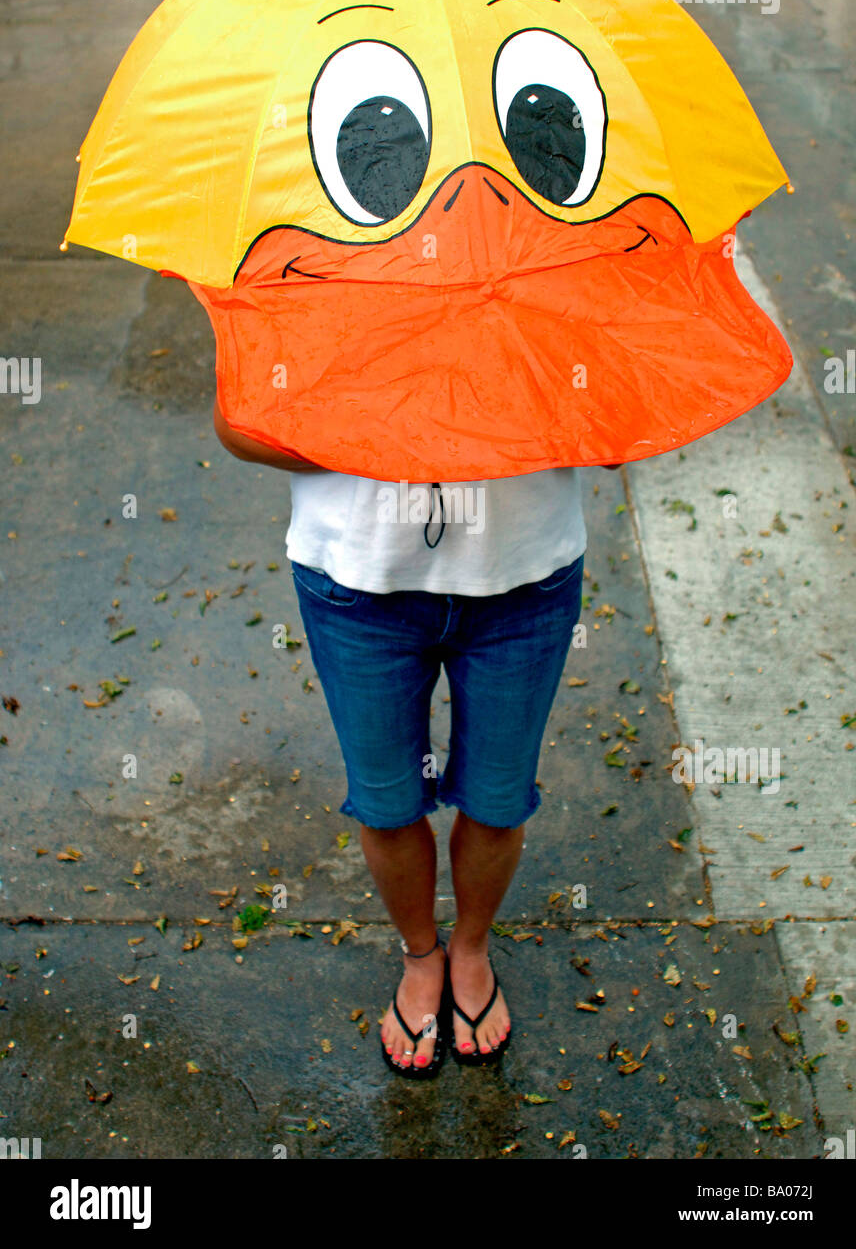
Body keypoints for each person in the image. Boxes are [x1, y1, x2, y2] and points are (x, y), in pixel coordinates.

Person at [214, 397, 619, 1077]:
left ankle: (469, 947)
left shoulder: (548, 283)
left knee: (497, 797)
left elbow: (615, 430)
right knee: (385, 800)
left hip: (524, 580)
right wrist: (389, 430)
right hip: (357, 587)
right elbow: (238, 427)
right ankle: (419, 953)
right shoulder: (304, 284)